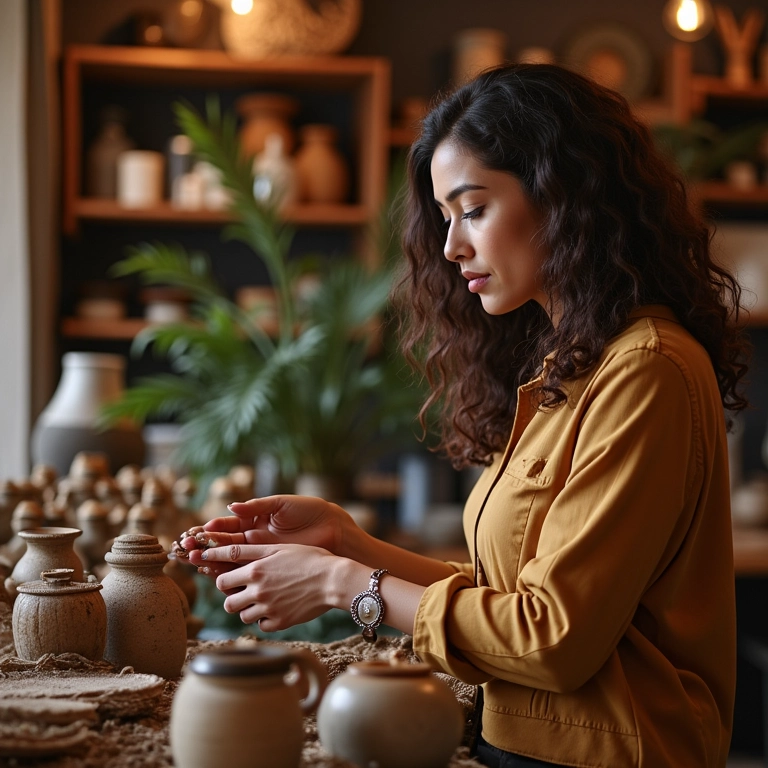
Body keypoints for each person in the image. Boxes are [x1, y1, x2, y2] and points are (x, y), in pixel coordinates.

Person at [178, 64, 750, 768]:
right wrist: (346, 542)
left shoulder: (647, 369)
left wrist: (338, 584)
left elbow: (553, 639)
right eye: (446, 218)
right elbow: (508, 599)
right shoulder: (569, 368)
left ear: (565, 195)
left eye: (473, 209)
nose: (451, 249)